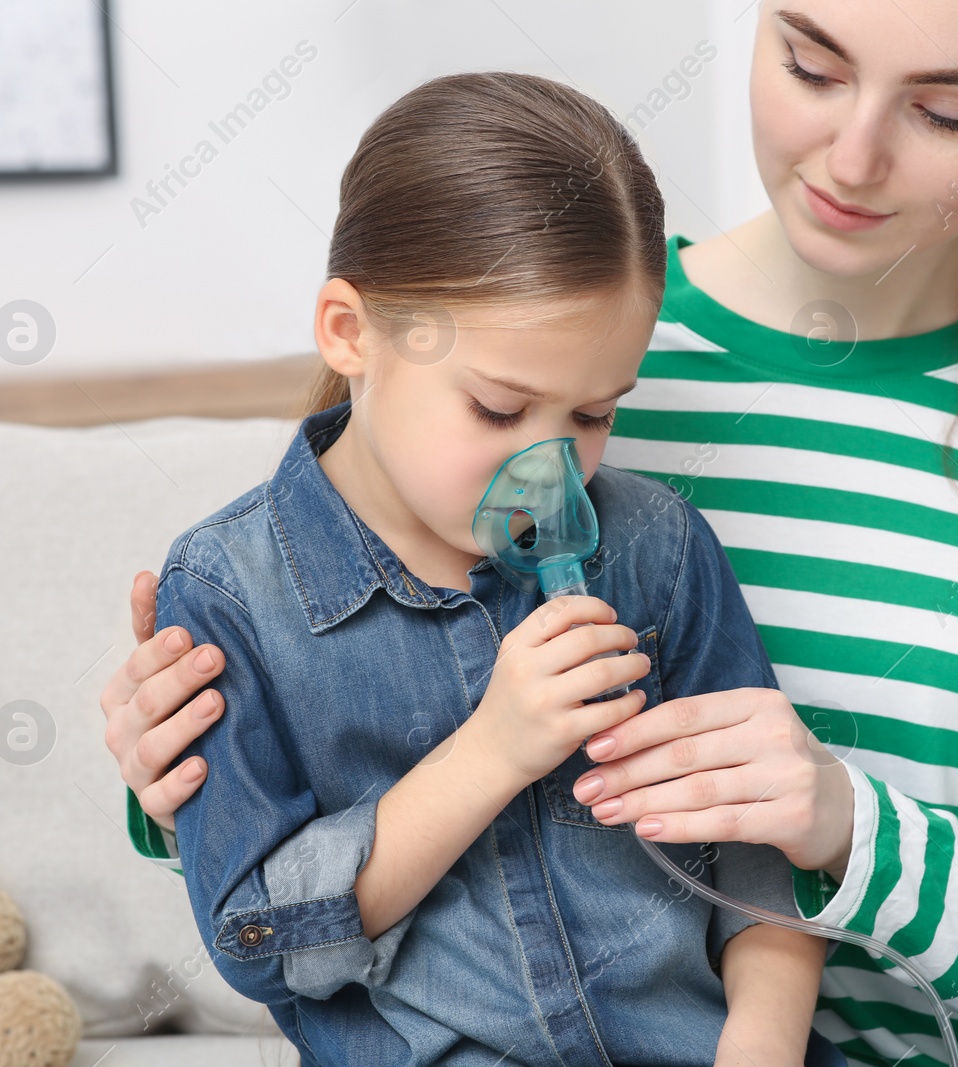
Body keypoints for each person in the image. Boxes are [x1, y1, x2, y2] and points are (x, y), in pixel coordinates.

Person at [105, 1, 958, 1063]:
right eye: (812, 63)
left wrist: (847, 826)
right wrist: (179, 784)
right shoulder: (577, 314)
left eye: (944, 109)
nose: (852, 157)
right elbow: (309, 788)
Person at [145, 70, 844, 1067]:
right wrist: (496, 748)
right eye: (500, 409)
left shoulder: (654, 547)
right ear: (351, 333)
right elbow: (260, 938)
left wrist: (762, 1046)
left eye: (594, 413)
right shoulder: (229, 590)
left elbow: (759, 847)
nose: (550, 464)